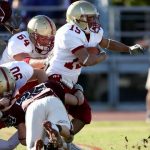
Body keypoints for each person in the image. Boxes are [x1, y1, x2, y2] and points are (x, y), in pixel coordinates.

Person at [46, 0, 144, 135]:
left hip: (70, 81)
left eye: (94, 17)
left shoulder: (91, 31)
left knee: (84, 115)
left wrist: (128, 49)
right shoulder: (67, 33)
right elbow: (87, 60)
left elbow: (107, 43)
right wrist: (102, 56)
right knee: (58, 112)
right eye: (89, 17)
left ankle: (63, 139)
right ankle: (51, 135)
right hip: (55, 78)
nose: (93, 20)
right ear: (76, 18)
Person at [0, 67, 84, 149]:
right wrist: (79, 90)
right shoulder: (49, 85)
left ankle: (43, 142)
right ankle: (55, 128)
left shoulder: (14, 112)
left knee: (31, 141)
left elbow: (23, 139)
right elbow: (78, 101)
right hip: (51, 97)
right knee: (69, 134)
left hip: (34, 109)